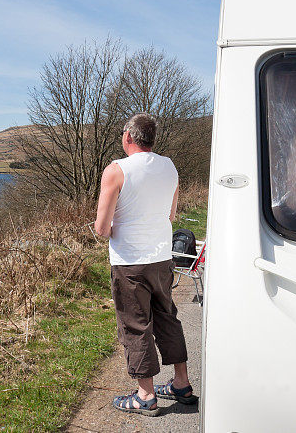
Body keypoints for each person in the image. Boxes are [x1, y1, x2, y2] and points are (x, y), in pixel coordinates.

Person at [94, 112, 197, 417]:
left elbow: (101, 227)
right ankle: (181, 383)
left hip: (130, 262)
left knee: (135, 325)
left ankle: (145, 395)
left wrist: (112, 229)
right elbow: (171, 214)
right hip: (161, 256)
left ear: (128, 137)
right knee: (167, 316)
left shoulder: (115, 171)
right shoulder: (169, 167)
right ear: (151, 139)